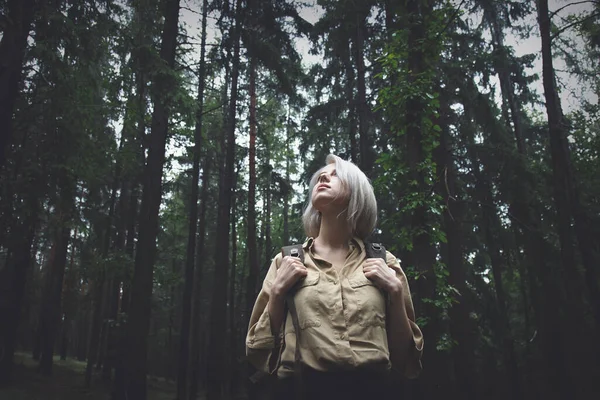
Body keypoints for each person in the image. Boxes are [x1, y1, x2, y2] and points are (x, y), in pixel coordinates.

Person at [246, 154, 423, 400]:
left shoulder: (385, 262)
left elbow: (405, 359)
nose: (323, 177)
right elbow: (257, 350)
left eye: (335, 174)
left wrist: (394, 291)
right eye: (321, 175)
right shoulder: (287, 261)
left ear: (357, 192)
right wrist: (276, 293)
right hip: (301, 391)